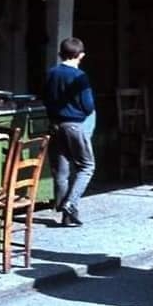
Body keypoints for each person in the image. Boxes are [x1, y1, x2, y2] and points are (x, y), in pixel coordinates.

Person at [44, 37, 96, 226]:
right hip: (74, 125)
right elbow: (88, 105)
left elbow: (45, 97)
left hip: (55, 124)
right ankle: (70, 203)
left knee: (61, 171)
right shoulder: (80, 77)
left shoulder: (51, 73)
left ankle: (66, 216)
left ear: (60, 54)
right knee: (87, 166)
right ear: (81, 55)